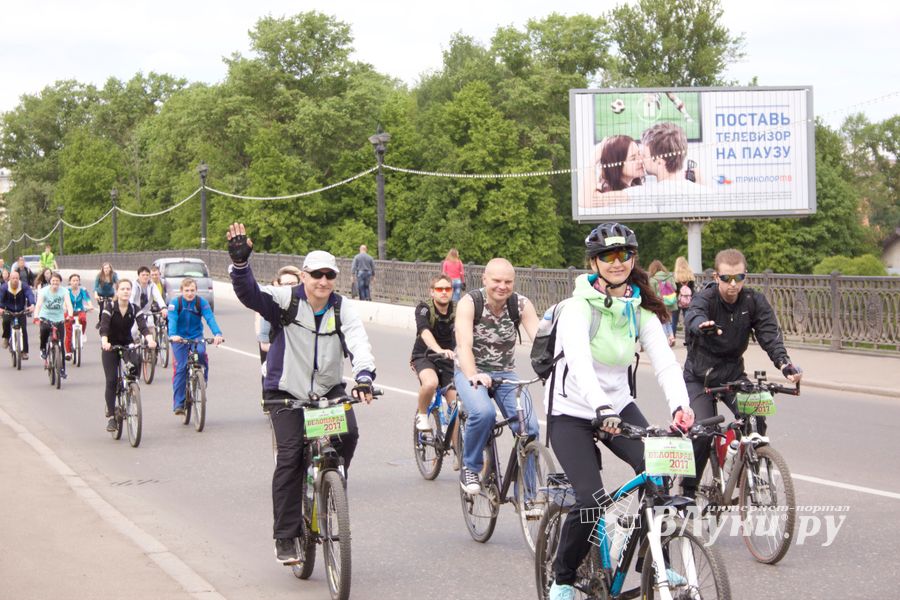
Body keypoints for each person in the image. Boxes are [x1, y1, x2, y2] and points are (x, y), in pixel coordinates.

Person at [545, 223, 694, 600]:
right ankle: (562, 578)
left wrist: (681, 407)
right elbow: (578, 363)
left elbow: (665, 364)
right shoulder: (577, 309)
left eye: (624, 254)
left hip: (616, 405)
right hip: (572, 410)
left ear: (633, 259)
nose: (617, 262)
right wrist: (599, 407)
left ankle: (652, 560)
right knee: (591, 500)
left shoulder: (639, 311)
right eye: (608, 256)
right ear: (594, 261)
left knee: (658, 470)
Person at [226, 222, 377, 565]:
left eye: (330, 275)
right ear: (305, 275)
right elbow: (250, 294)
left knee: (348, 433)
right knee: (291, 456)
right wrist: (239, 265)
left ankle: (334, 478)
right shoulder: (285, 300)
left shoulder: (342, 308)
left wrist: (365, 376)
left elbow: (358, 343)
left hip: (327, 389)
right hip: (285, 392)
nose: (323, 281)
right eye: (316, 275)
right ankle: (285, 536)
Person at [680, 248, 802, 499]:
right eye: (726, 278)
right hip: (700, 377)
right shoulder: (707, 298)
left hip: (732, 374)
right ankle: (688, 492)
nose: (733, 284)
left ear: (745, 276)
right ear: (716, 277)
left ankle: (749, 469)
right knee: (702, 434)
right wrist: (701, 327)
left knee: (756, 414)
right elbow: (693, 314)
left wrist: (785, 365)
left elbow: (770, 336)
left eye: (739, 277)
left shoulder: (753, 301)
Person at [454, 257, 541, 494]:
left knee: (530, 427)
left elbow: (541, 342)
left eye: (508, 281)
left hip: (505, 373)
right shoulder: (470, 302)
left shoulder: (521, 304)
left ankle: (528, 493)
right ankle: (470, 466)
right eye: (496, 280)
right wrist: (474, 375)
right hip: (469, 369)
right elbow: (464, 346)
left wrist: (553, 368)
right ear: (484, 279)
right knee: (484, 413)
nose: (502, 286)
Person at [100, 279, 155, 432]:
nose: (125, 291)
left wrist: (150, 339)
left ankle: (132, 390)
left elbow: (143, 327)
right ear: (117, 291)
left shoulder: (134, 308)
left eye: (128, 289)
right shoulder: (109, 307)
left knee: (135, 363)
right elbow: (104, 326)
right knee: (111, 380)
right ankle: (111, 416)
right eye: (122, 289)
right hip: (110, 346)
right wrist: (105, 341)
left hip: (127, 344)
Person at [168, 278, 224, 415]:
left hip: (196, 337)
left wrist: (217, 334)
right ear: (181, 291)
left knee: (201, 355)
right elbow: (172, 319)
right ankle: (179, 403)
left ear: (196, 290)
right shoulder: (175, 303)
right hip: (179, 338)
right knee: (181, 367)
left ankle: (202, 380)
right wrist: (173, 334)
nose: (190, 293)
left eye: (192, 290)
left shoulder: (201, 302)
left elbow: (210, 318)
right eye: (187, 290)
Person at [411, 275, 458, 441]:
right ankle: (422, 414)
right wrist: (439, 349)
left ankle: (459, 457)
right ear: (432, 292)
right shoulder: (424, 309)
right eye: (439, 289)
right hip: (425, 356)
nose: (444, 292)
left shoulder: (458, 309)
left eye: (448, 289)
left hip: (449, 359)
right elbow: (424, 331)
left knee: (456, 405)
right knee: (431, 383)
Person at [625, 122, 704, 198]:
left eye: (644, 156)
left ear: (659, 162)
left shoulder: (639, 194)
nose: (641, 159)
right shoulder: (704, 191)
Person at [256, 266, 302, 364]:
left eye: (293, 284)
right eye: (285, 284)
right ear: (279, 285)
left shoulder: (306, 306)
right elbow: (264, 345)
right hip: (277, 364)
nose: (289, 287)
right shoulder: (271, 308)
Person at [33, 271, 74, 378]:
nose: (55, 283)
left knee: (61, 345)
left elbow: (69, 305)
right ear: (50, 281)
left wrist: (70, 315)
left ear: (60, 282)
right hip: (45, 317)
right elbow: (38, 305)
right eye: (53, 281)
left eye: (57, 281)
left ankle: (62, 370)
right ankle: (43, 349)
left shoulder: (64, 291)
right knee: (43, 332)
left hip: (59, 319)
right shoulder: (44, 291)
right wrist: (36, 316)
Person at [0, 270, 35, 359]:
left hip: (20, 311)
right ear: (9, 279)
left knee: (23, 329)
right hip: (8, 310)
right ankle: (6, 338)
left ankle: (24, 352)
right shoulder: (4, 287)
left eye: (16, 278)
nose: (15, 280)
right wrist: (1, 308)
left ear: (19, 278)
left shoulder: (23, 286)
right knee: (6, 322)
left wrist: (32, 304)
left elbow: (29, 294)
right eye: (13, 278)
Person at [130, 266, 167, 339]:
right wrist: (130, 309)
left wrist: (163, 307)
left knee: (151, 329)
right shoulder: (134, 285)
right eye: (143, 275)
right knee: (133, 331)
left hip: (147, 311)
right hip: (135, 311)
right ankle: (135, 344)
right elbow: (131, 297)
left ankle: (151, 348)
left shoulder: (152, 285)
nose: (145, 277)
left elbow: (158, 297)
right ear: (139, 276)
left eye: (147, 275)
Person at [648, 260, 677, 346]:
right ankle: (671, 336)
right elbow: (675, 288)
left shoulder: (652, 279)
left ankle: (665, 339)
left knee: (662, 321)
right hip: (670, 302)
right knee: (667, 320)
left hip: (659, 303)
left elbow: (651, 293)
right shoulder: (669, 276)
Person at [65, 273, 94, 357]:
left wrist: (90, 306)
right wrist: (64, 308)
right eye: (73, 280)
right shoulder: (66, 290)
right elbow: (64, 301)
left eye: (77, 280)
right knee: (68, 330)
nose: (75, 282)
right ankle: (68, 352)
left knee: (83, 319)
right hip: (69, 311)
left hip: (80, 310)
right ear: (70, 282)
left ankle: (83, 333)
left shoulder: (82, 290)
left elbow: (87, 299)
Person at [672, 255, 695, 334]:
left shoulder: (676, 276)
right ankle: (688, 336)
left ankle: (673, 337)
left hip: (677, 301)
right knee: (688, 320)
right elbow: (693, 290)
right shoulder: (690, 275)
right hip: (688, 301)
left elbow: (674, 290)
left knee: (674, 320)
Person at [93, 262, 118, 327]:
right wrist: (96, 295)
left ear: (110, 269)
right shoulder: (99, 275)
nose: (106, 269)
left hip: (110, 294)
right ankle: (100, 321)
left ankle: (112, 321)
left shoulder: (114, 275)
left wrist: (116, 294)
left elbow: (118, 284)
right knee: (101, 309)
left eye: (108, 268)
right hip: (101, 293)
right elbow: (95, 286)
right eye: (105, 268)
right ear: (102, 269)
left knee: (112, 308)